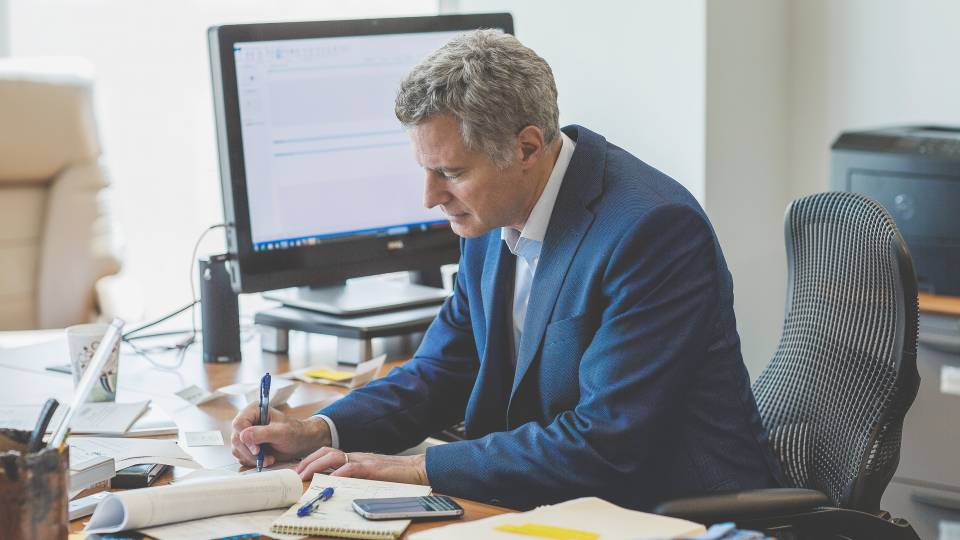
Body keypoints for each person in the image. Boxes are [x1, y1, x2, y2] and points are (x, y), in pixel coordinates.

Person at [231, 29, 781, 510]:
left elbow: (607, 444)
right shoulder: (490, 213)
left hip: (670, 511)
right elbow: (442, 371)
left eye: (449, 172)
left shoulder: (652, 231)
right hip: (550, 499)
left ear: (526, 147)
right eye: (425, 170)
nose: (429, 197)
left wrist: (421, 469)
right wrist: (316, 429)